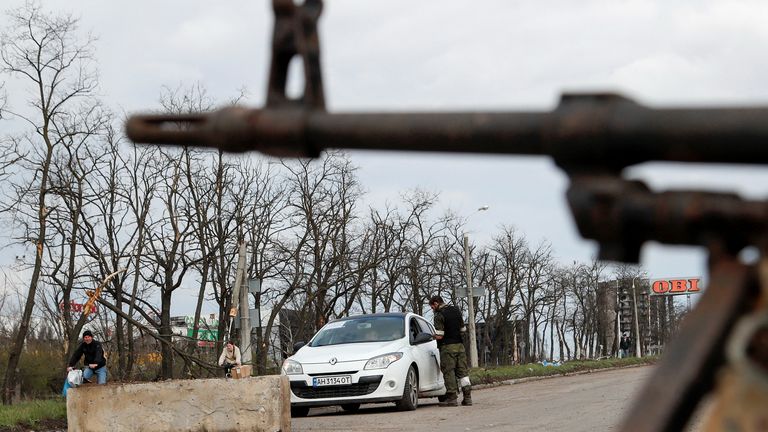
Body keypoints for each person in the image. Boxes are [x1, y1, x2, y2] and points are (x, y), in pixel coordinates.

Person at [429, 295, 472, 407]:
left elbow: (439, 335)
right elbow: (463, 329)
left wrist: (430, 336)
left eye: (432, 307)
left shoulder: (439, 315)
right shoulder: (456, 310)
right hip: (460, 346)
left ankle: (452, 398)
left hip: (447, 347)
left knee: (449, 372)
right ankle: (467, 398)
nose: (432, 309)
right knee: (463, 372)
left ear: (436, 303)